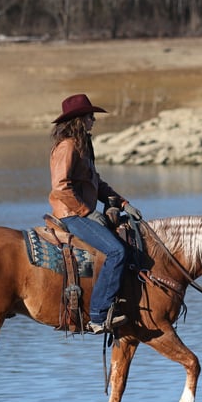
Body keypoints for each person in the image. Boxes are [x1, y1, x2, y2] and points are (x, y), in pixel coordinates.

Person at [48, 93, 142, 334]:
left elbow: (96, 183)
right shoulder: (67, 147)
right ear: (79, 120)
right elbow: (60, 187)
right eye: (90, 116)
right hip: (71, 214)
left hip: (80, 212)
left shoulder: (82, 146)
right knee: (117, 251)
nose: (94, 120)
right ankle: (99, 314)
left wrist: (123, 204)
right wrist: (86, 212)